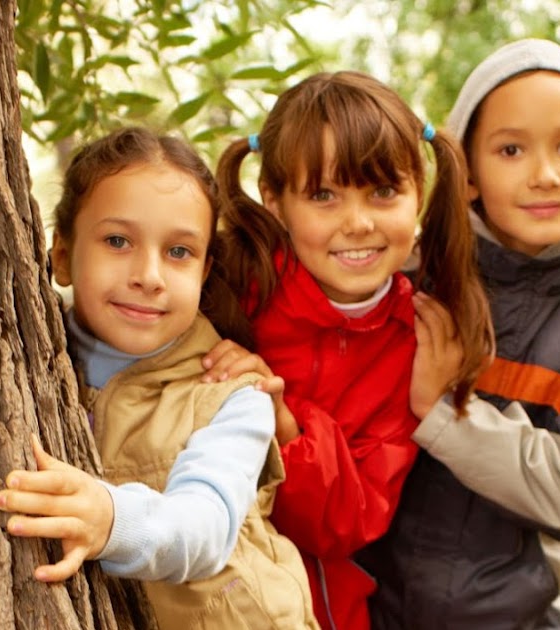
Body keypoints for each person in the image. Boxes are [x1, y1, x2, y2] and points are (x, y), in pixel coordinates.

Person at [358, 38, 560, 628]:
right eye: (510, 149)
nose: (546, 174)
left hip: (518, 617)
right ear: (469, 171)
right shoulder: (409, 276)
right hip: (373, 611)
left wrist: (447, 413)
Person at [202, 70, 497, 630]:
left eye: (383, 192)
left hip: (327, 613)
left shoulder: (419, 338)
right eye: (323, 196)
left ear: (418, 194)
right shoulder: (226, 293)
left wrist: (285, 421)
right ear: (276, 203)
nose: (357, 223)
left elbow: (348, 522)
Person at [0, 127, 318, 629]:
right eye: (118, 241)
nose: (149, 274)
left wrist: (111, 519)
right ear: (62, 253)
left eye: (178, 252)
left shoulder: (232, 396)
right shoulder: (18, 351)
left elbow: (206, 529)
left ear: (205, 271)